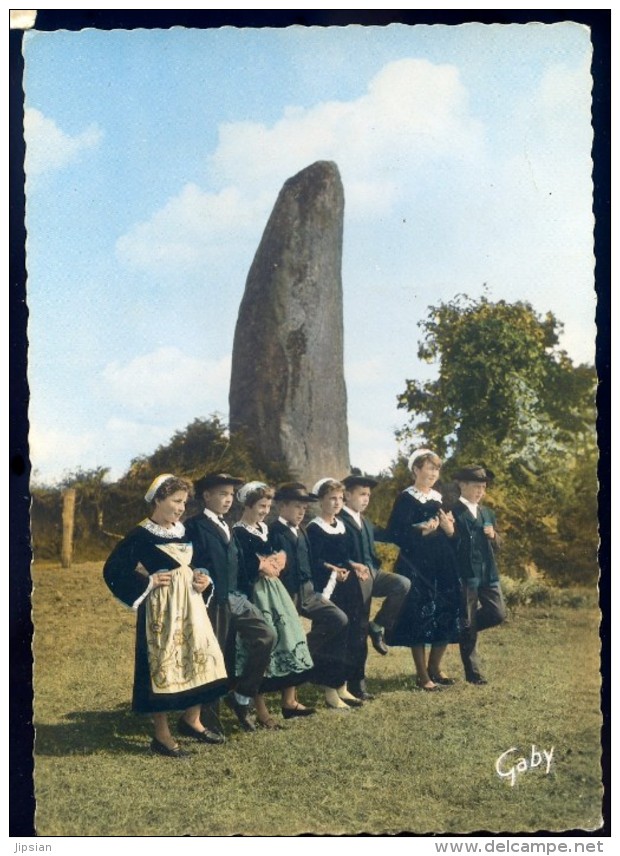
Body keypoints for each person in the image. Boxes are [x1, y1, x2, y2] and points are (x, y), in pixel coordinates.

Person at [102, 474, 228, 758]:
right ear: (158, 499)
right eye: (176, 501)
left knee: (202, 657)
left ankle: (192, 720)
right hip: (161, 612)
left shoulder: (184, 531)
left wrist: (203, 578)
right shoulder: (141, 534)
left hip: (193, 607)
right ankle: (161, 735)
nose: (182, 507)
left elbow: (201, 564)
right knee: (162, 665)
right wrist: (146, 583)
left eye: (184, 502)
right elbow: (113, 569)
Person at [184, 472, 276, 733]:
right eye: (222, 494)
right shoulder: (194, 525)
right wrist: (197, 573)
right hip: (212, 599)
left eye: (230, 494)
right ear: (206, 496)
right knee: (216, 656)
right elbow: (185, 559)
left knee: (266, 636)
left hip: (236, 597)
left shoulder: (228, 526)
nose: (228, 499)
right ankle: (208, 718)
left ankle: (242, 697)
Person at [232, 481, 315, 727]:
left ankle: (288, 701)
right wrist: (260, 566)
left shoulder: (263, 529)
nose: (264, 510)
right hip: (256, 592)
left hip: (275, 591)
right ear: (247, 505)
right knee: (262, 648)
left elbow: (276, 551)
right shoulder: (238, 532)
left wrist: (280, 558)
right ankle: (261, 711)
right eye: (260, 505)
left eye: (268, 505)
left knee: (288, 637)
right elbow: (240, 567)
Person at [269, 482, 350, 715]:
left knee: (339, 619)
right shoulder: (274, 531)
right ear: (282, 506)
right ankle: (289, 701)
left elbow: (313, 561)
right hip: (286, 593)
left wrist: (331, 569)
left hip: (308, 591)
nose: (302, 511)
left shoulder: (302, 530)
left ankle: (305, 653)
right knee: (289, 640)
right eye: (297, 506)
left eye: (304, 507)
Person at [385, 449, 462, 691]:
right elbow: (394, 533)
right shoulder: (406, 498)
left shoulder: (440, 498)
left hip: (442, 563)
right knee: (417, 614)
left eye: (436, 469)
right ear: (416, 470)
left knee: (448, 608)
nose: (433, 473)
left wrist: (449, 528)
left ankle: (435, 668)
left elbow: (450, 531)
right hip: (416, 563)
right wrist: (421, 531)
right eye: (428, 468)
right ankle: (422, 675)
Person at [338, 472, 411, 700]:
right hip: (352, 579)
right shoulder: (338, 521)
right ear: (347, 495)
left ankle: (378, 625)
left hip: (373, 573)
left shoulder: (366, 522)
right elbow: (333, 553)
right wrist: (352, 567)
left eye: (368, 494)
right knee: (356, 630)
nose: (366, 499)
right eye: (361, 494)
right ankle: (356, 685)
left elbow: (390, 534)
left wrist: (418, 529)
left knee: (402, 583)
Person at [306, 478, 371, 710]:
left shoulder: (341, 525)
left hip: (348, 584)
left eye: (340, 498)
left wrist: (355, 565)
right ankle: (329, 691)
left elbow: (346, 556)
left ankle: (342, 685)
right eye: (332, 498)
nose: (336, 503)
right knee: (334, 634)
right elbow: (315, 561)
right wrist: (332, 569)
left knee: (351, 633)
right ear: (321, 500)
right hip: (329, 587)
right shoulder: (314, 528)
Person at [451, 465, 506, 685]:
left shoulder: (488, 513)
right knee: (468, 619)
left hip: (488, 574)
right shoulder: (453, 512)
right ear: (462, 485)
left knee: (498, 613)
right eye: (476, 486)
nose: (480, 491)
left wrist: (493, 535)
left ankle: (462, 631)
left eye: (483, 487)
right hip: (466, 575)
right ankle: (473, 673)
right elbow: (449, 543)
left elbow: (500, 544)